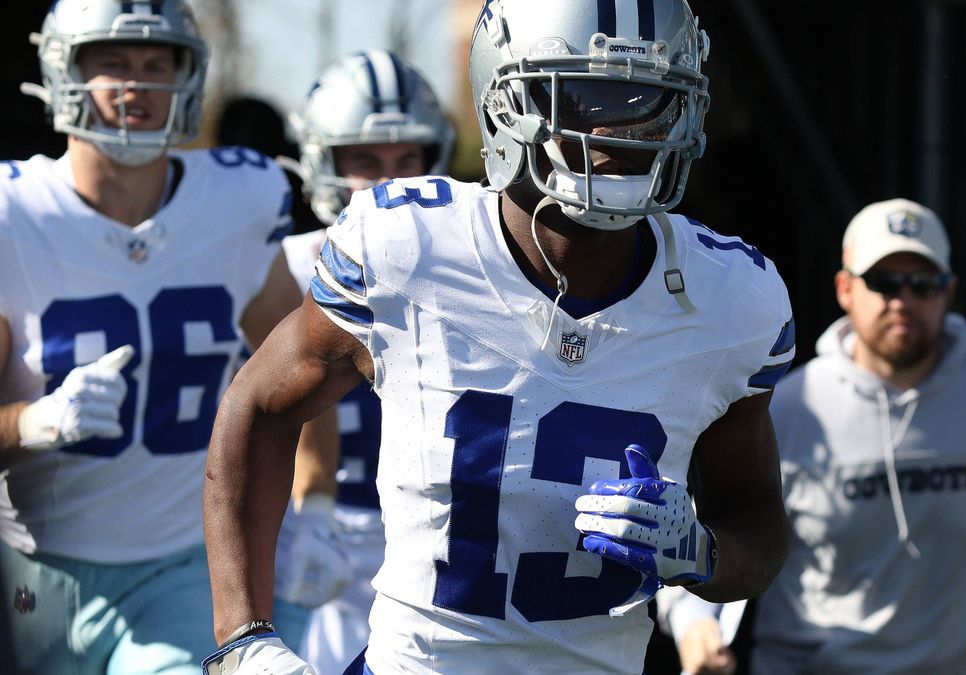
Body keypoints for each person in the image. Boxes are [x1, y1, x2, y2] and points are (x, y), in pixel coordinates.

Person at [200, 0, 797, 673]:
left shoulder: (727, 299)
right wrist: (243, 635)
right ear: (507, 102)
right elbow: (256, 407)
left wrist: (701, 551)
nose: (623, 127)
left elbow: (757, 521)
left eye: (648, 98)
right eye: (586, 94)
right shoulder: (409, 249)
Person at [0, 0, 335, 671]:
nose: (139, 85)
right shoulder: (14, 213)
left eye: (159, 64)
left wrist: (317, 499)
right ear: (62, 70)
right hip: (32, 572)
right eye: (115, 63)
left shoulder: (236, 196)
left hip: (184, 565)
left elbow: (302, 366)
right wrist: (34, 422)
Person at [663, 198, 966, 675]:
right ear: (845, 288)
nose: (902, 300)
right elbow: (699, 527)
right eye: (884, 282)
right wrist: (693, 621)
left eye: (923, 284)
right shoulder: (785, 406)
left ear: (949, 292)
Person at [279, 49, 456, 675]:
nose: (389, 183)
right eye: (364, 161)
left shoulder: (465, 274)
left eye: (408, 159)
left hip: (430, 534)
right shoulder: (285, 270)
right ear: (321, 161)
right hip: (309, 530)